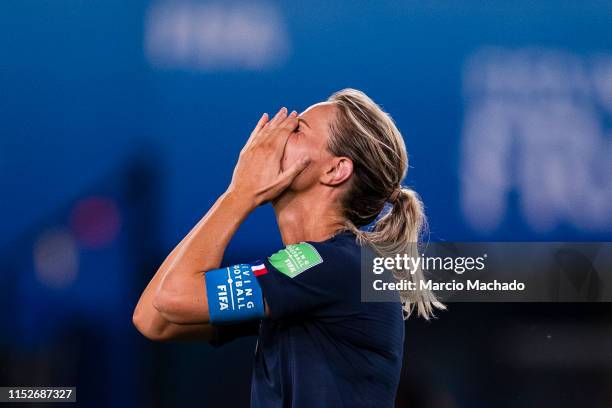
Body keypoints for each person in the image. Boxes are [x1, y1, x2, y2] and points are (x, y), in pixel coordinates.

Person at [132, 88, 444, 407]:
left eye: (297, 129)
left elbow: (173, 298)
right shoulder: (306, 274)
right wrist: (235, 196)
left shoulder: (337, 265)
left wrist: (240, 194)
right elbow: (154, 319)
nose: (275, 134)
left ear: (336, 170)